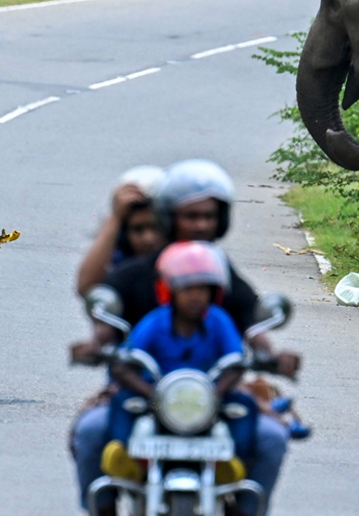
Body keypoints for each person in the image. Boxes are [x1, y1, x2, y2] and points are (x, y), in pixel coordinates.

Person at [69, 159, 298, 516]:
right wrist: (96, 347)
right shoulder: (137, 272)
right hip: (142, 392)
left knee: (271, 437)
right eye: (191, 216)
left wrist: (272, 354)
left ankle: (246, 508)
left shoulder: (220, 273)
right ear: (168, 217)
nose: (202, 225)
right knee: (91, 431)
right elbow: (103, 313)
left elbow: (251, 321)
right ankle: (104, 507)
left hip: (211, 396)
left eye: (209, 217)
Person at [102, 241, 256, 484]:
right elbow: (125, 361)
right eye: (187, 289)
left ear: (213, 293)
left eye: (202, 289)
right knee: (121, 403)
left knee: (245, 405)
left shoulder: (218, 320)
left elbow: (235, 362)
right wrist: (151, 393)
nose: (196, 296)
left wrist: (217, 393)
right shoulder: (155, 321)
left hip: (207, 397)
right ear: (169, 290)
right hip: (156, 396)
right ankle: (126, 458)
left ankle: (233, 462)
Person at [74, 165, 165, 296]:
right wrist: (116, 217)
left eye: (156, 227)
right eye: (138, 229)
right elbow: (87, 288)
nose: (148, 238)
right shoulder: (120, 263)